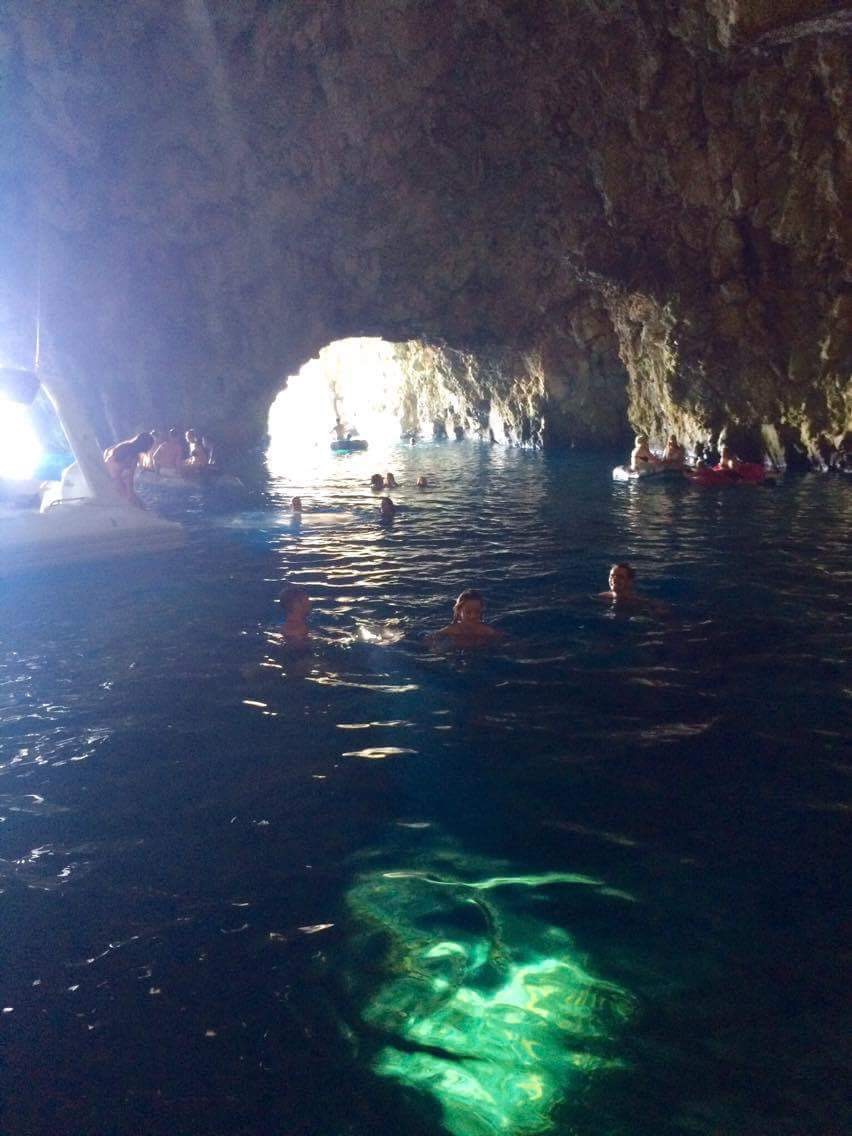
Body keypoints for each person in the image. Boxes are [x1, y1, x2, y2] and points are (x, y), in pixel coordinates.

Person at [430, 589, 504, 647]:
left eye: (477, 612)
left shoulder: (484, 630)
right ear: (459, 611)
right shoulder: (454, 629)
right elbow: (431, 638)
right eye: (468, 612)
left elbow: (503, 639)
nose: (473, 616)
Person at [103, 432, 154, 504]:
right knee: (138, 504)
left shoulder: (123, 446)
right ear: (145, 446)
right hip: (115, 479)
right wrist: (130, 494)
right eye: (150, 446)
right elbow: (130, 478)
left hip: (107, 474)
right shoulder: (134, 457)